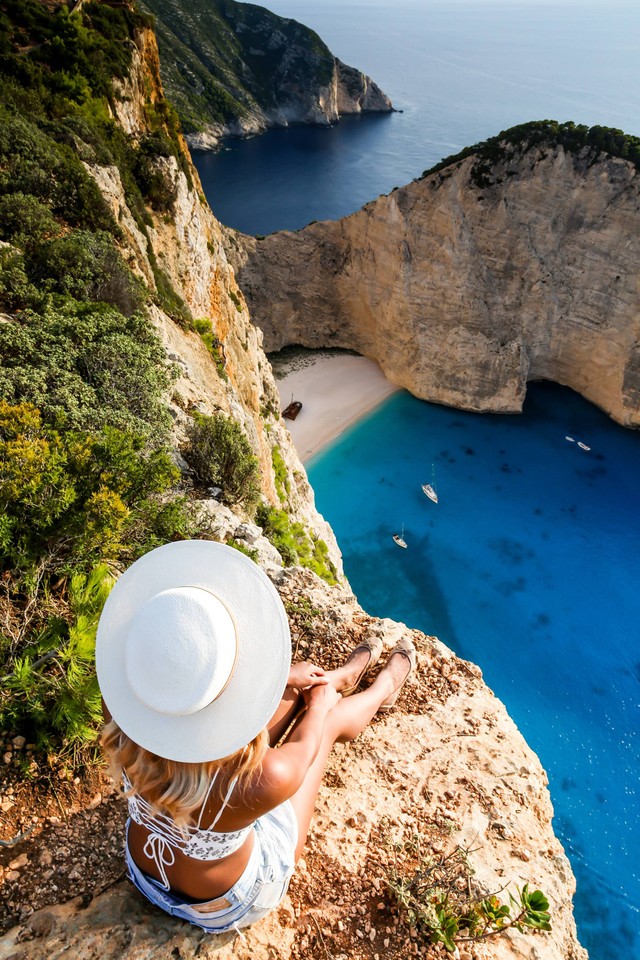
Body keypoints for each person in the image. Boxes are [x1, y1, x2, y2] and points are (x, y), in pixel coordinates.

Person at [97, 540, 416, 933]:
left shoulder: (122, 704)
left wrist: (283, 679)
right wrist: (317, 705)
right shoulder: (269, 778)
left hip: (143, 872)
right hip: (227, 902)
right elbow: (307, 742)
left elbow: (183, 695)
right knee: (326, 722)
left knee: (288, 693)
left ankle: (342, 678)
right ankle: (379, 690)